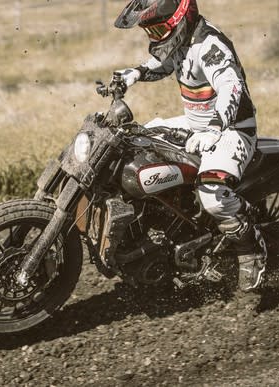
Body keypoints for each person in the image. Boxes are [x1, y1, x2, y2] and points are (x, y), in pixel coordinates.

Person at [114, 0, 266, 291]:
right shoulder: (182, 40)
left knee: (212, 195)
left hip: (232, 129)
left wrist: (215, 129)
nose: (154, 36)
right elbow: (167, 62)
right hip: (195, 124)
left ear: (180, 16)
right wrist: (136, 73)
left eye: (159, 28)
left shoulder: (210, 46)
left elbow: (230, 87)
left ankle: (251, 249)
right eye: (150, 30)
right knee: (137, 138)